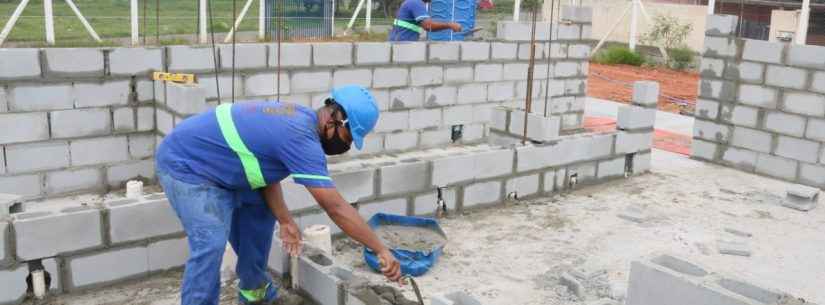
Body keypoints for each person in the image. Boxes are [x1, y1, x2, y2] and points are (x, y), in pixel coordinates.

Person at [155, 85, 402, 305]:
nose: (345, 146)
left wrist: (285, 220)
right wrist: (380, 249)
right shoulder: (300, 136)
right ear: (336, 119)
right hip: (189, 165)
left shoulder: (301, 119)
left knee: (260, 217)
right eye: (348, 138)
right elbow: (335, 207)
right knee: (210, 242)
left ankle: (256, 294)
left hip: (224, 167)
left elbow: (263, 172)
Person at [388, 0, 463, 41]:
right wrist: (450, 25)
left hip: (399, 42)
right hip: (401, 45)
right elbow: (428, 26)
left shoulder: (412, 2)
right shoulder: (416, 3)